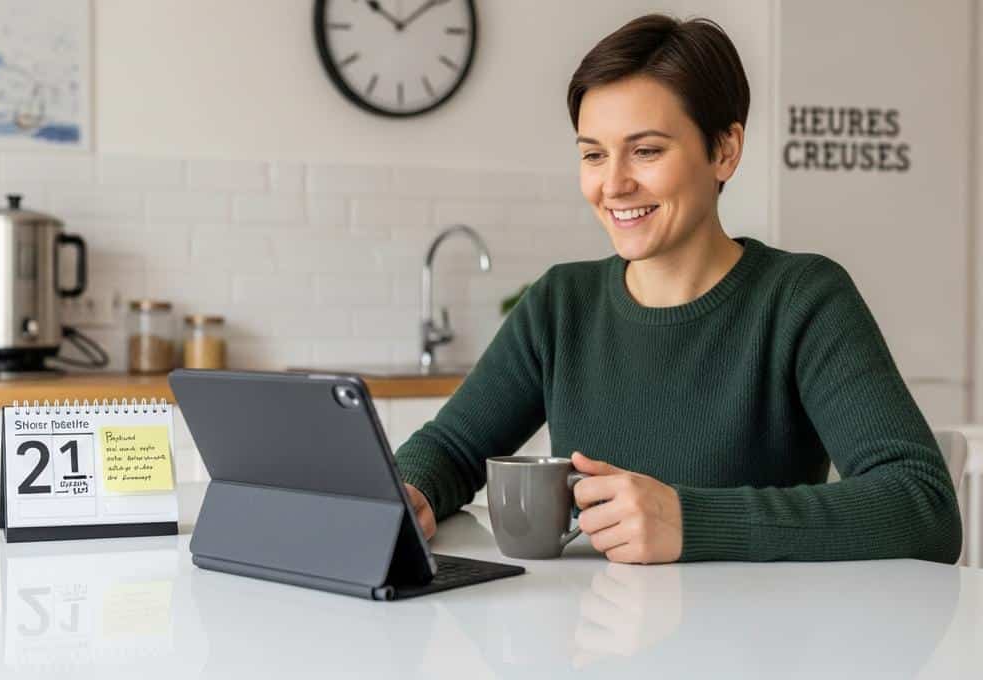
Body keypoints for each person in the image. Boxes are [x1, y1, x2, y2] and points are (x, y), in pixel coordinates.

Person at [393, 14, 963, 565]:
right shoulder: (561, 304)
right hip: (590, 643)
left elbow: (922, 505)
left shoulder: (801, 299)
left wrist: (688, 521)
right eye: (593, 154)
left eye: (646, 151)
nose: (613, 184)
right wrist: (409, 492)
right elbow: (451, 450)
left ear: (724, 151)